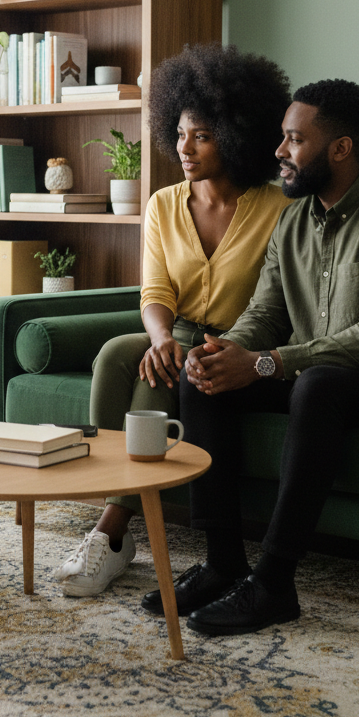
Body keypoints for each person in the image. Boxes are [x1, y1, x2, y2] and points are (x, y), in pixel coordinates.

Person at [166, 78, 359, 636]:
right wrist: (223, 350)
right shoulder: (292, 221)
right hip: (322, 370)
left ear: (341, 148)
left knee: (318, 385)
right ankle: (223, 562)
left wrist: (265, 363)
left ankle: (274, 582)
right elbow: (265, 313)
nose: (279, 151)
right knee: (204, 376)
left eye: (294, 139)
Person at [53, 43, 293, 596]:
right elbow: (156, 289)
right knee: (118, 353)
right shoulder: (163, 203)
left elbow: (276, 303)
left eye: (201, 136)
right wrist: (161, 336)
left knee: (160, 374)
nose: (184, 148)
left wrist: (185, 349)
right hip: (178, 327)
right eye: (180, 134)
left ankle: (113, 530)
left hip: (240, 341)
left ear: (236, 135)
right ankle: (113, 513)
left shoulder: (280, 209)